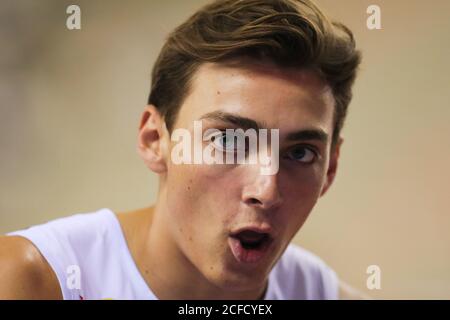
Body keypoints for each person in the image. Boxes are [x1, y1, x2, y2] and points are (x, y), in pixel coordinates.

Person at [0, 0, 366, 299]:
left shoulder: (320, 293)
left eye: (300, 153)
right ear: (155, 140)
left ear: (330, 169)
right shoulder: (33, 279)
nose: (265, 191)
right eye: (228, 141)